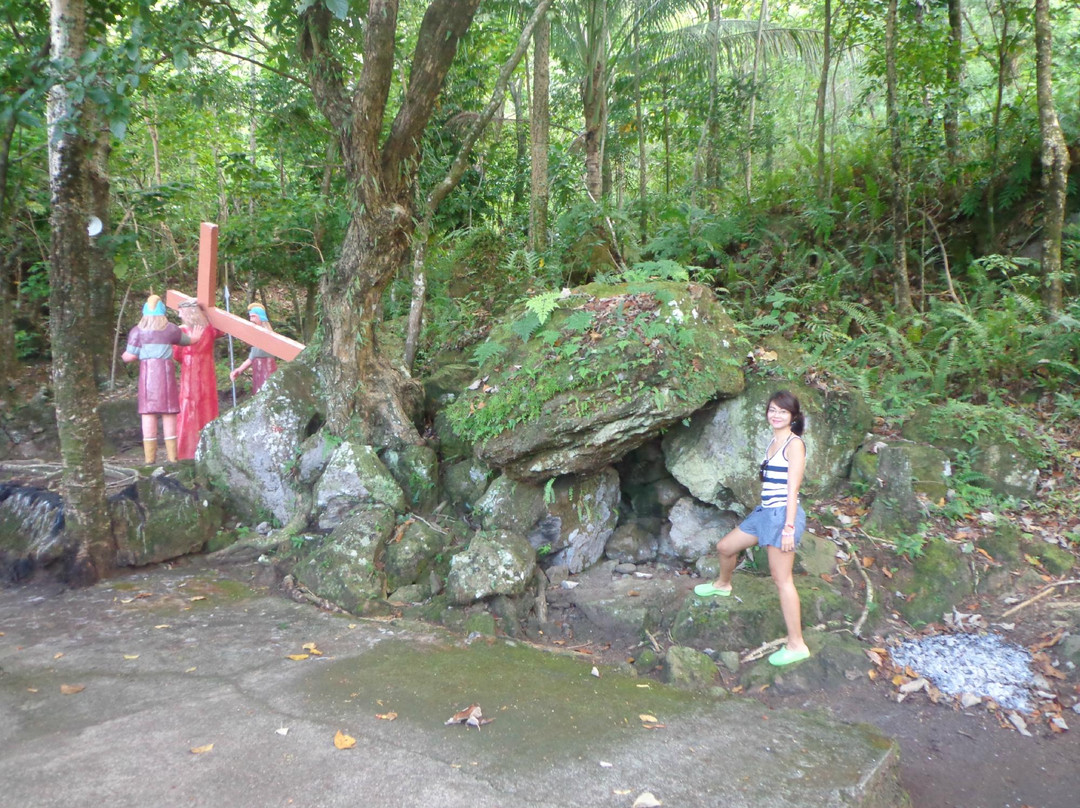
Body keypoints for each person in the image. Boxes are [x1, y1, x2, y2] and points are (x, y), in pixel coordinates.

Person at [694, 390, 811, 666]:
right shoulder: (773, 441)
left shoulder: (794, 445)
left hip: (782, 516)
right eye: (772, 410)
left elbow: (793, 489)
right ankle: (723, 584)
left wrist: (788, 529)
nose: (776, 415)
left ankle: (797, 644)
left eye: (782, 411)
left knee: (782, 580)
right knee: (725, 547)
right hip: (764, 514)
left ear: (793, 416)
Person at [122, 294, 202, 464]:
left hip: (148, 376)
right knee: (169, 412)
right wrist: (196, 336)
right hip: (166, 375)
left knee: (148, 413)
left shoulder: (137, 331)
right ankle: (172, 458)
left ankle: (149, 459)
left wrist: (124, 355)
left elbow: (130, 356)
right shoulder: (171, 329)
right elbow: (188, 341)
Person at [172, 301, 223, 460]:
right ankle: (209, 446)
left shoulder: (182, 331)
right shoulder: (210, 329)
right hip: (207, 373)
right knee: (207, 407)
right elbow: (222, 330)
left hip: (190, 373)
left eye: (181, 312)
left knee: (188, 408)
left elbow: (177, 355)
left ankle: (186, 450)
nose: (179, 315)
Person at [229, 303, 278, 394]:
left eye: (254, 317)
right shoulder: (256, 336)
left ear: (261, 317)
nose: (251, 320)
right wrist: (239, 370)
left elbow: (257, 354)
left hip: (268, 370)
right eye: (250, 317)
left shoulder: (268, 335)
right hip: (257, 372)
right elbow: (252, 357)